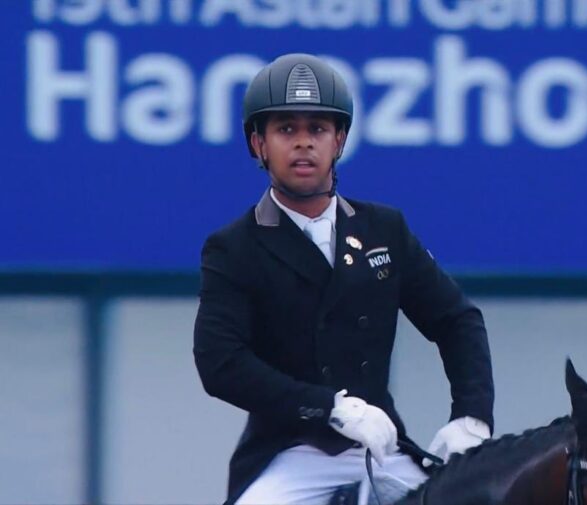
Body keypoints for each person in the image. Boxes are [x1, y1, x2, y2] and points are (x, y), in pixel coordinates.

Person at [193, 53, 495, 505]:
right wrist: (329, 408)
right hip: (292, 452)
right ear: (258, 144)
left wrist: (471, 417)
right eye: (286, 129)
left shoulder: (384, 230)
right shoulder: (235, 247)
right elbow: (221, 363)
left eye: (317, 129)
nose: (303, 143)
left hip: (382, 449)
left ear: (339, 140)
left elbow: (457, 320)